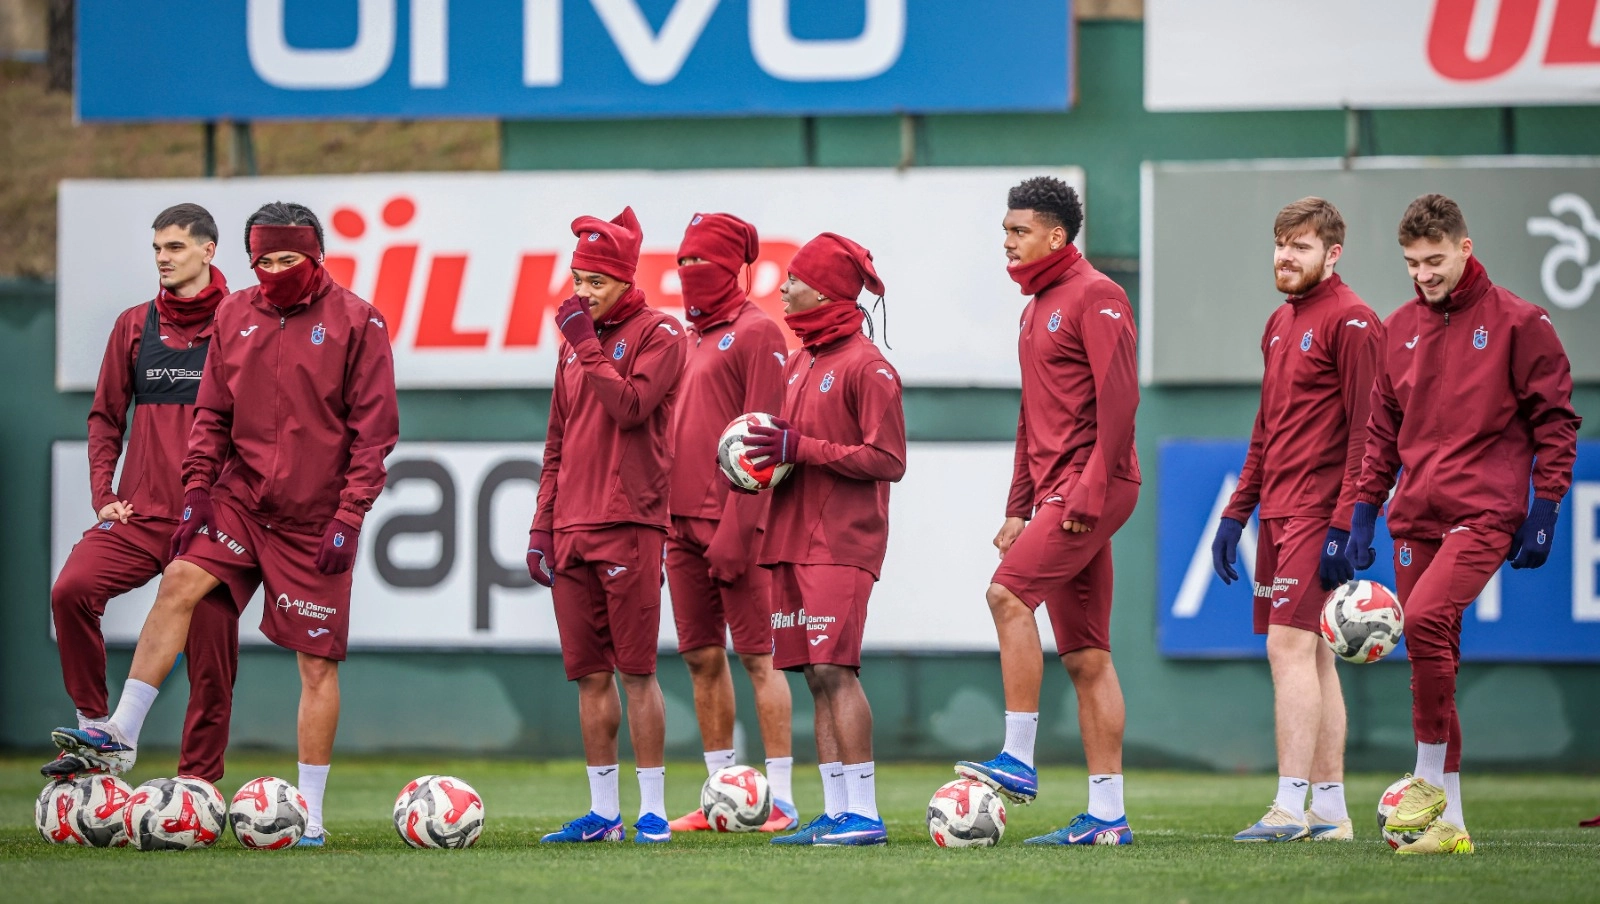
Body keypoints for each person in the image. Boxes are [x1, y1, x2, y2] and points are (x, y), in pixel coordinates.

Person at [50, 202, 401, 848]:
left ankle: (310, 813)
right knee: (179, 582)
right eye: (263, 260)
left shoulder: (358, 320)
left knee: (316, 666)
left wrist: (350, 515)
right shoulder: (235, 315)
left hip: (314, 517)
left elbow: (374, 434)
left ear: (316, 256)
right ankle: (121, 731)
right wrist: (196, 492)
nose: (275, 272)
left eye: (288, 259)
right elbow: (211, 415)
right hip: (240, 501)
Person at [1349, 194, 1579, 855]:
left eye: (1435, 260)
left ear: (1464, 248)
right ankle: (1450, 822)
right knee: (1433, 653)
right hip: (1415, 516)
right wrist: (1364, 511)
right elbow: (1381, 432)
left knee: (1423, 620)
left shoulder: (1520, 322)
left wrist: (1545, 506)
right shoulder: (1397, 328)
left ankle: (1424, 782)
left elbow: (1556, 421)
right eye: (1412, 263)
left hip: (1485, 512)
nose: (1423, 274)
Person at [954, 176, 1141, 846]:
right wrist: (1017, 507)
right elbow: (1031, 418)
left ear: (1056, 236)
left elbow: (1121, 401)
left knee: (1006, 595)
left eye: (1019, 231)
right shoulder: (1034, 308)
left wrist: (1089, 490)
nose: (1007, 242)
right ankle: (1108, 817)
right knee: (1087, 657)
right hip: (1059, 489)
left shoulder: (1098, 294)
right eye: (1005, 231)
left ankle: (1018, 758)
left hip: (1094, 485)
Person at [45, 203, 240, 786]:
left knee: (212, 663)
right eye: (157, 248)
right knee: (71, 590)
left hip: (211, 522)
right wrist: (102, 493)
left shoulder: (242, 323)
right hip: (140, 515)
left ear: (208, 249)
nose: (162, 258)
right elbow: (105, 417)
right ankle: (97, 734)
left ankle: (196, 788)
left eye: (175, 247)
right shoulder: (134, 325)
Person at [1210, 197, 1382, 842]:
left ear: (1332, 255)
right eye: (1281, 243)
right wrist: (1237, 513)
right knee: (1314, 658)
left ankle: (1289, 807)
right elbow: (1266, 428)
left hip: (1318, 512)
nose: (1286, 256)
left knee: (1287, 649)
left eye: (1301, 246)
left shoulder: (1354, 321)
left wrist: (1348, 523)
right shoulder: (1279, 322)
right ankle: (1330, 813)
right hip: (1278, 513)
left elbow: (1370, 432)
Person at [527, 207, 688, 844]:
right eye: (577, 280)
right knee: (589, 675)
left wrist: (587, 346)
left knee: (637, 672)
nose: (583, 292)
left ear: (625, 280)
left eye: (596, 281)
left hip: (630, 524)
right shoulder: (572, 347)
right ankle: (603, 814)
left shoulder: (662, 333)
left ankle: (652, 811)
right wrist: (542, 527)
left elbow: (631, 407)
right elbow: (556, 445)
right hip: (571, 529)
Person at [755, 233, 905, 847]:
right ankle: (837, 810)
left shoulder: (869, 366)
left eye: (794, 279)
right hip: (789, 536)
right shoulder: (799, 362)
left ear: (824, 291)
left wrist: (801, 448)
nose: (784, 288)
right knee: (813, 676)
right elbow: (789, 450)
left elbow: (888, 459)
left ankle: (864, 814)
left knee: (835, 669)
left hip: (842, 540)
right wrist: (756, 463)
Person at [663, 212, 797, 833]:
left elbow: (765, 441)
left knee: (759, 659)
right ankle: (720, 793)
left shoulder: (758, 332)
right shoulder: (686, 336)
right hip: (679, 525)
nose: (691, 272)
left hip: (735, 525)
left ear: (733, 268)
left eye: (703, 262)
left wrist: (741, 527)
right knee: (700, 657)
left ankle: (782, 799)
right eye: (683, 262)